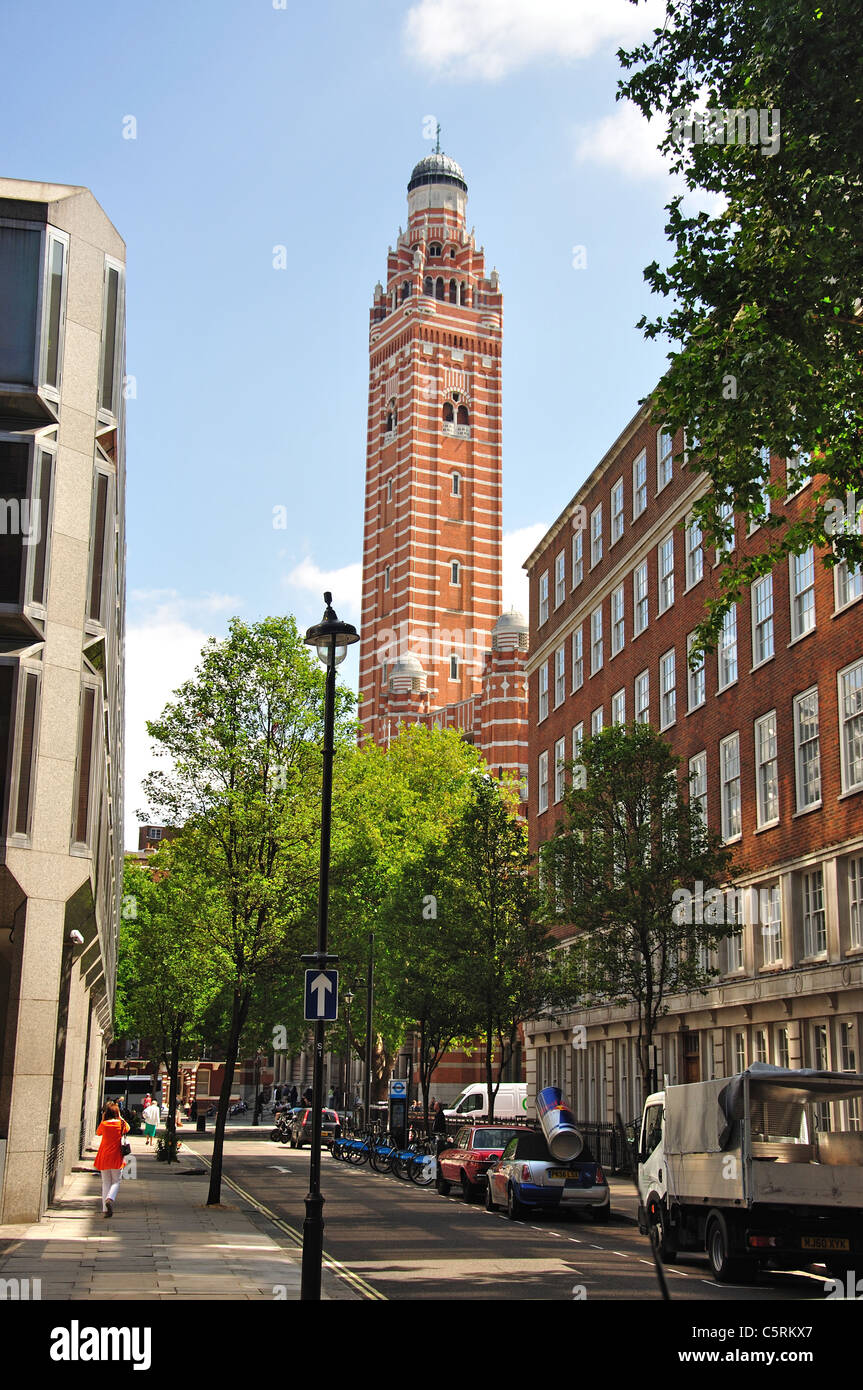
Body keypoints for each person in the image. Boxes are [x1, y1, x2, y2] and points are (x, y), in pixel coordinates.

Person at [94, 1102, 129, 1218]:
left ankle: (105, 1208)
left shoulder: (104, 1124)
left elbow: (98, 1133)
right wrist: (120, 1117)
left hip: (104, 1156)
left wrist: (103, 1119)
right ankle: (110, 1198)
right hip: (116, 1156)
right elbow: (128, 1128)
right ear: (116, 1113)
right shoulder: (121, 1124)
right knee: (116, 1181)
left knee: (106, 1182)